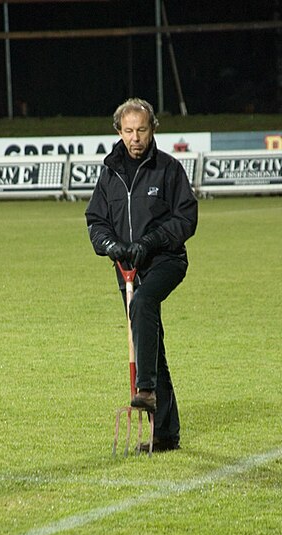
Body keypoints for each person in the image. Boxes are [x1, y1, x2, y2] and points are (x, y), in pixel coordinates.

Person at [85, 98, 198, 451]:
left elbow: (186, 219)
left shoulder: (168, 169)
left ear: (153, 130)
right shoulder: (109, 173)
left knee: (145, 304)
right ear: (119, 131)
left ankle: (145, 389)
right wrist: (110, 245)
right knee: (152, 343)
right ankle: (165, 435)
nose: (135, 138)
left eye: (142, 130)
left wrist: (149, 242)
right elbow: (96, 221)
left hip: (165, 260)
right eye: (129, 131)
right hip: (127, 268)